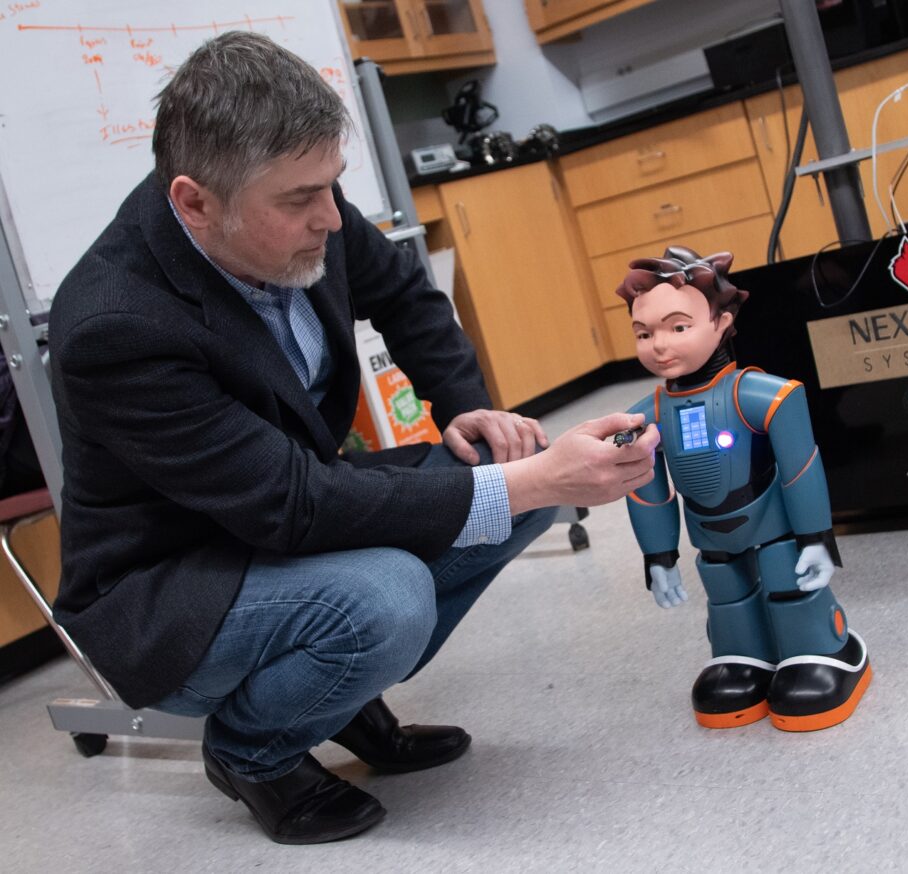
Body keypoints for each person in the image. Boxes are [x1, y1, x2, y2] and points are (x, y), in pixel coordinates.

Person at [48, 31, 659, 845]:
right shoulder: (115, 324)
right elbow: (292, 507)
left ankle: (333, 701)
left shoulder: (298, 212)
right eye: (302, 199)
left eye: (333, 185)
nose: (332, 218)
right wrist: (541, 478)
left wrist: (468, 411)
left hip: (280, 521)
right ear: (195, 202)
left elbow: (405, 293)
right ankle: (255, 749)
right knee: (390, 595)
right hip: (174, 589)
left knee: (504, 492)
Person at [616, 246, 871, 733]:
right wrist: (658, 556)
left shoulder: (764, 396)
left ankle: (823, 649)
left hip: (773, 527)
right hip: (711, 536)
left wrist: (817, 537)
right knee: (725, 590)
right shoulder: (642, 415)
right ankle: (742, 656)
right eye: (644, 333)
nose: (659, 345)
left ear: (722, 320)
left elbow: (801, 469)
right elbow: (646, 488)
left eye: (678, 327)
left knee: (786, 579)